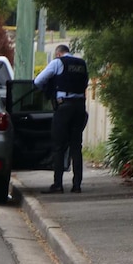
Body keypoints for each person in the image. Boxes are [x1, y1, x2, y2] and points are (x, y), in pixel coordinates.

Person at [34, 44, 89, 194]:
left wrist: (48, 89)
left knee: (58, 146)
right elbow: (85, 83)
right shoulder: (82, 64)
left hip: (63, 106)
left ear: (58, 54)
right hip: (79, 106)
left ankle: (58, 184)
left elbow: (38, 81)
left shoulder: (58, 62)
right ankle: (77, 185)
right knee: (76, 147)